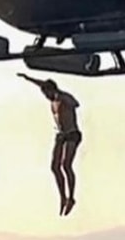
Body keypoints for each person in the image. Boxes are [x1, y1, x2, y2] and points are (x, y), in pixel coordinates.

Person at [17, 74, 82, 216]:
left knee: (66, 165)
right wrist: (28, 78)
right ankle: (62, 197)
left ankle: (71, 198)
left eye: (47, 94)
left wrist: (63, 97)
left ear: (52, 90)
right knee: (54, 167)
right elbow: (41, 84)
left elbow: (75, 103)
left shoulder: (61, 98)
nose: (46, 97)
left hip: (72, 134)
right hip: (61, 135)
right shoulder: (52, 100)